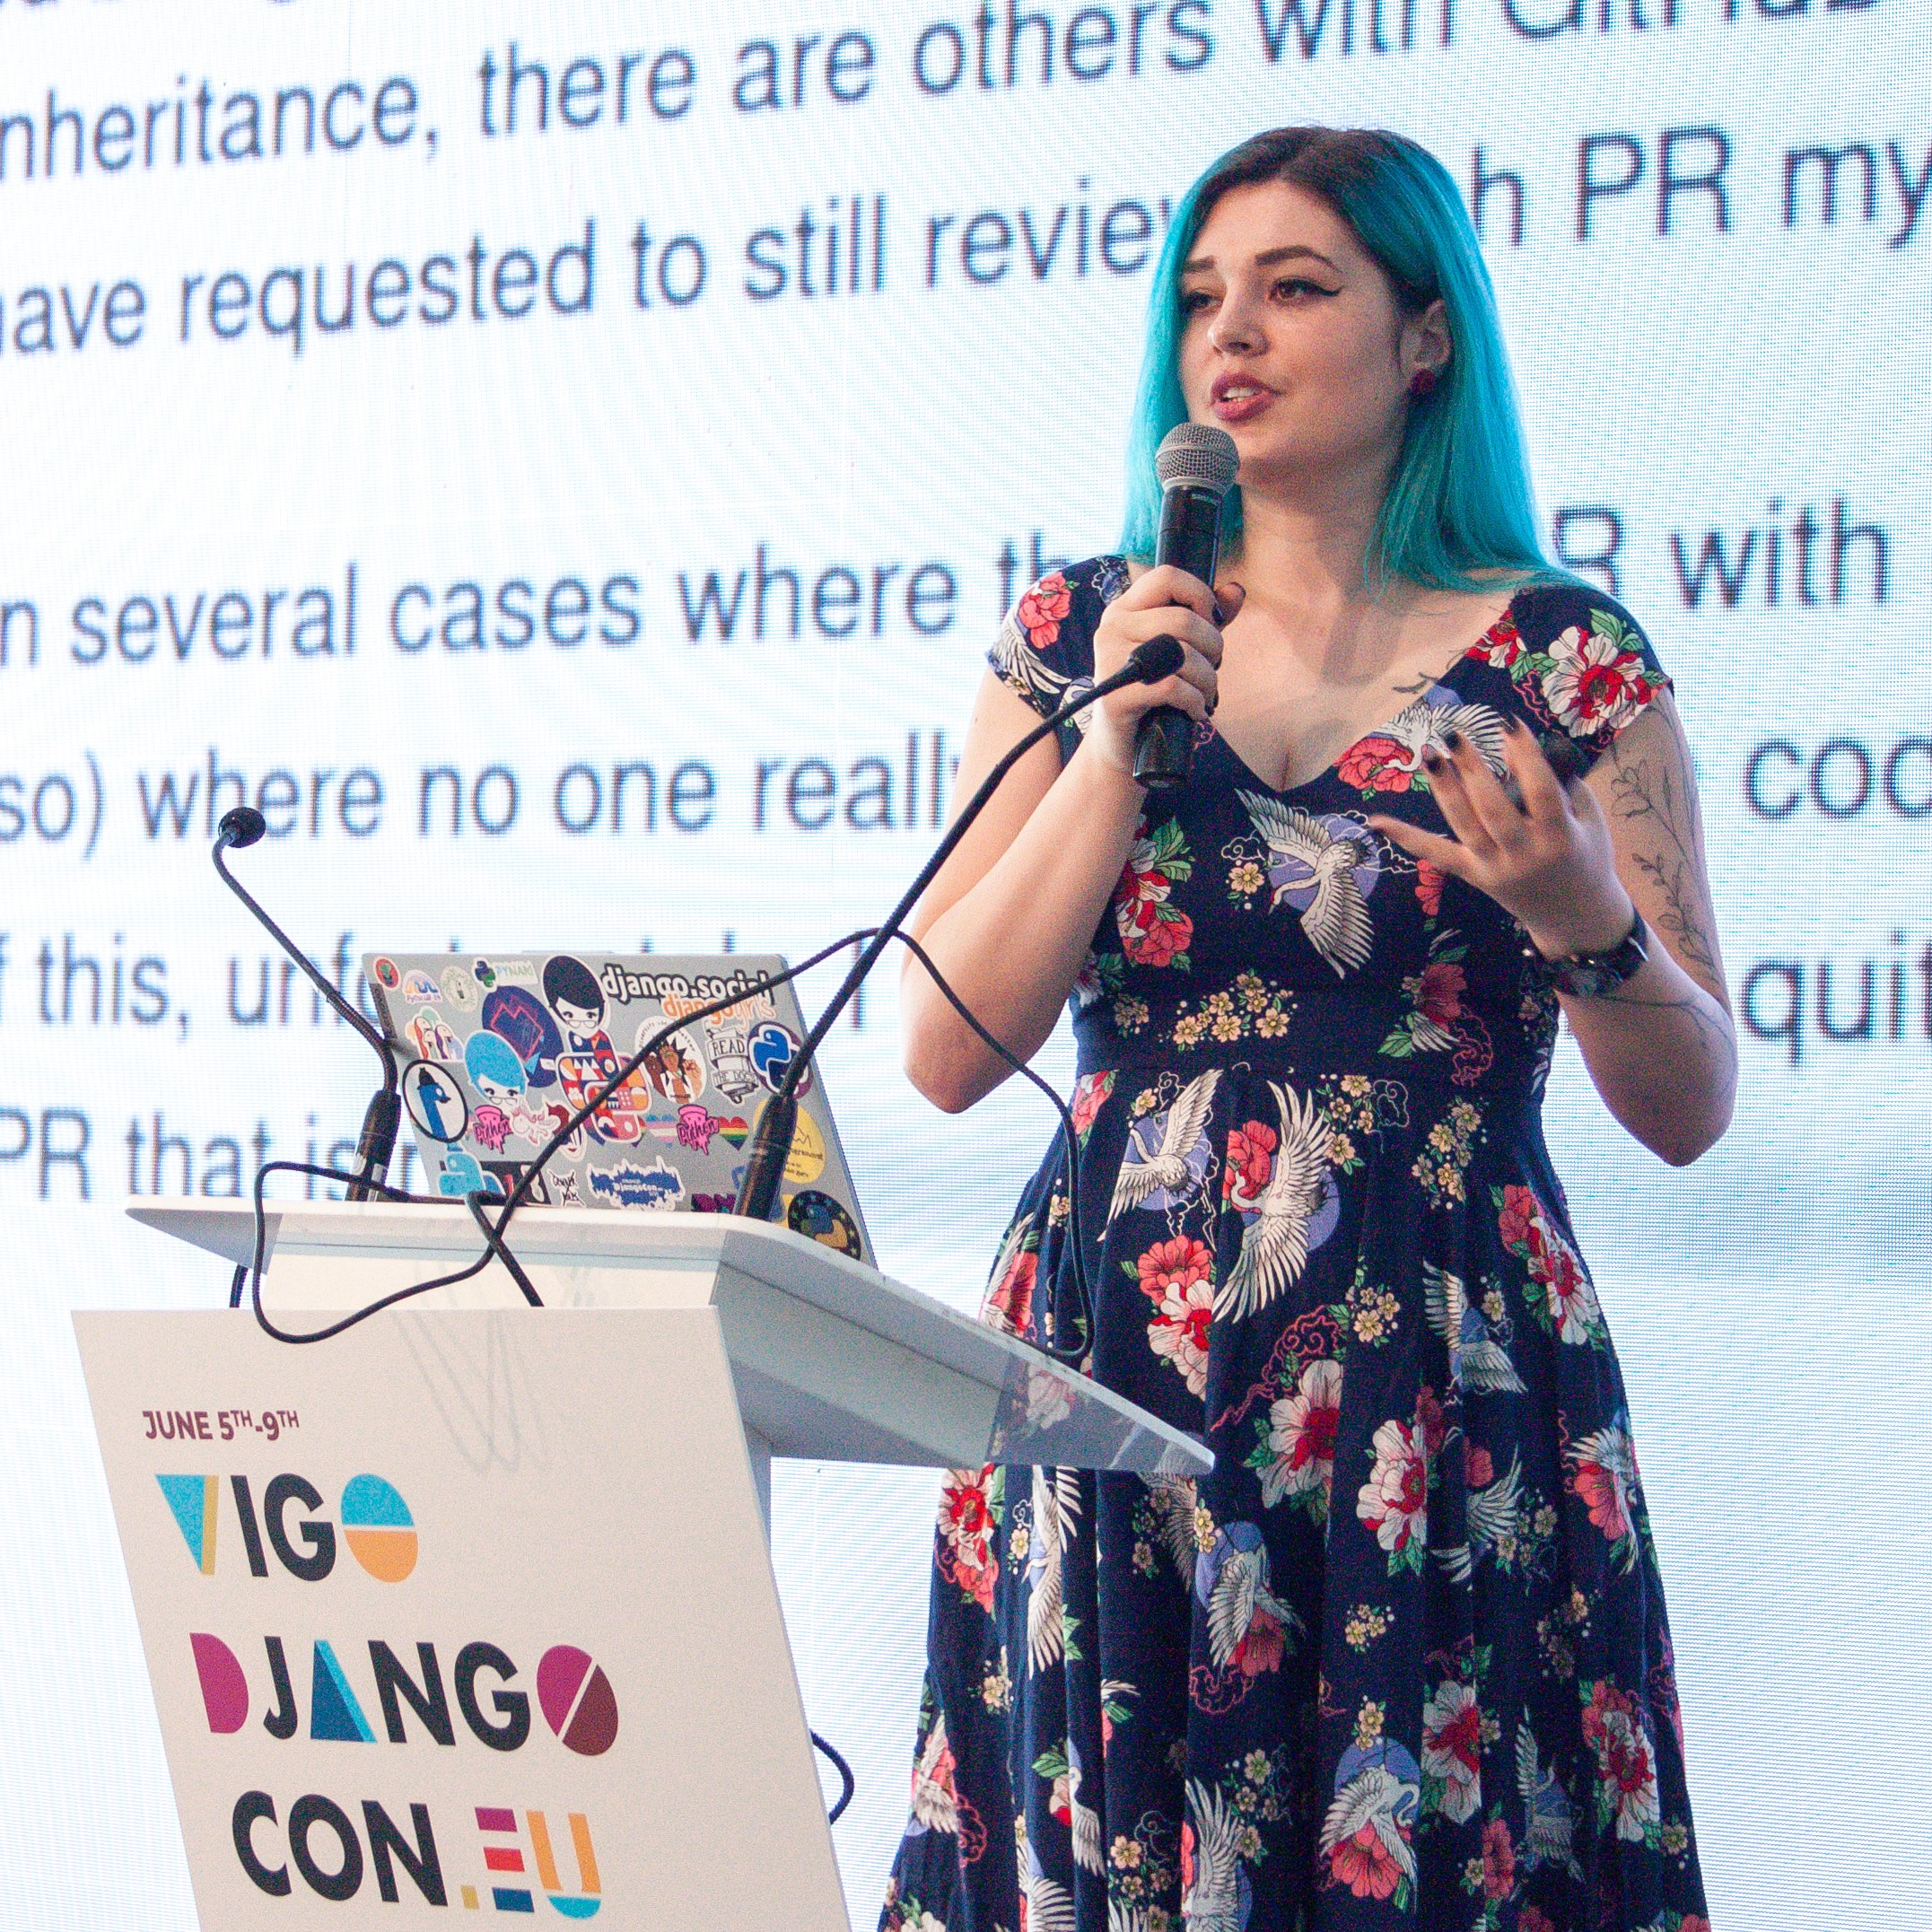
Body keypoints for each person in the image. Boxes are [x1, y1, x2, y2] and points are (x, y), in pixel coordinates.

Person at [881, 127, 1732, 1932]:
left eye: (1293, 287)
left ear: (1426, 338)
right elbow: (947, 1049)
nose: (1230, 337)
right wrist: (1114, 746)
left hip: (1435, 1382)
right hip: (1113, 1368)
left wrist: (1586, 918)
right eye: (1201, 296)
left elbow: (1692, 1100)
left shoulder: (1566, 664)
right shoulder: (1081, 636)